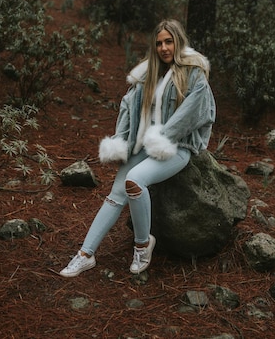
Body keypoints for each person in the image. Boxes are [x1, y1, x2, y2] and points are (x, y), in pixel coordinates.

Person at [59, 19, 216, 277]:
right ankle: (85, 254)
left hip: (176, 146)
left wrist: (163, 137)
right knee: (114, 196)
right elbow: (127, 108)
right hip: (144, 145)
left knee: (133, 181)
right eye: (159, 43)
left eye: (169, 41)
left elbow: (193, 113)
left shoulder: (194, 72)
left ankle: (143, 245)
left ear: (178, 41)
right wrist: (122, 142)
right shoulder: (146, 75)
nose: (164, 48)